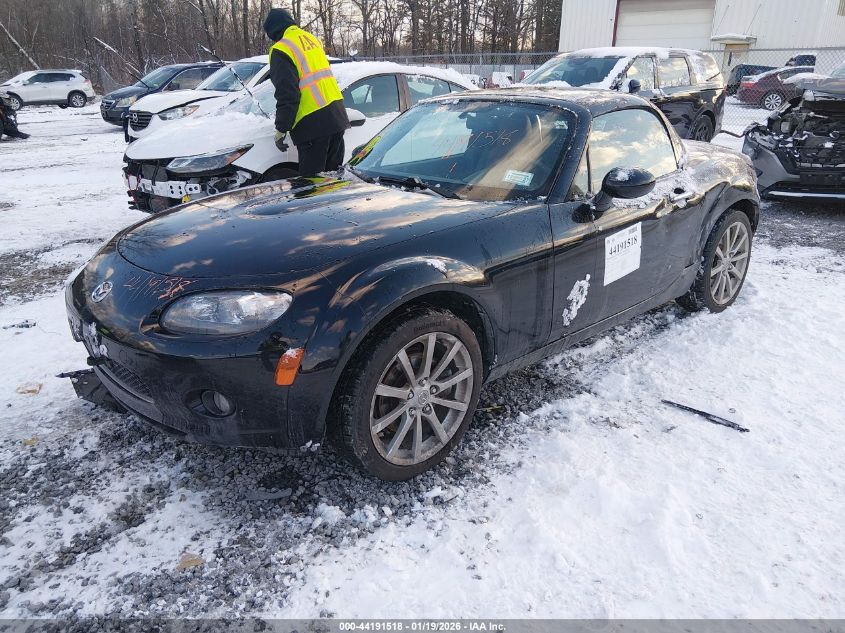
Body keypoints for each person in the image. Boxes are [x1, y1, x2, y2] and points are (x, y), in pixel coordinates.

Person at [263, 8, 349, 177]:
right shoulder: (311, 39)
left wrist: (282, 128)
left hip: (313, 125)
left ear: (273, 31)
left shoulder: (282, 48)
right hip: (336, 117)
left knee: (311, 188)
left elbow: (287, 94)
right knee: (332, 182)